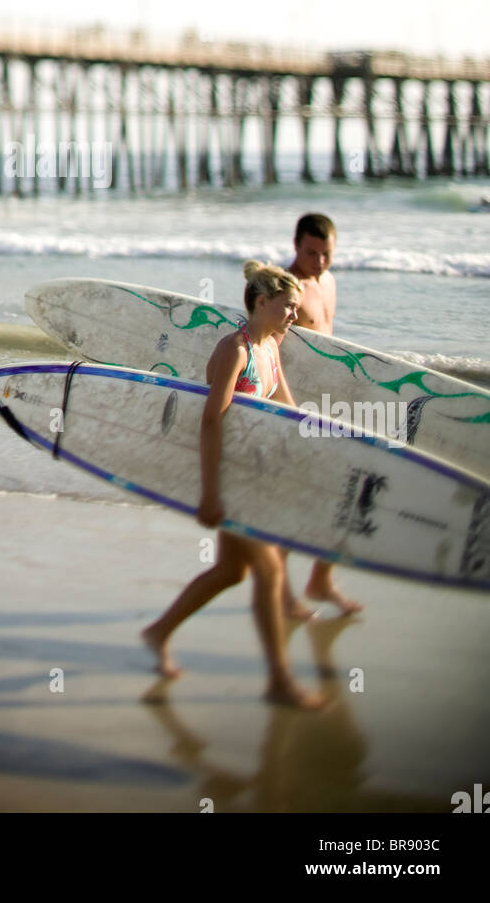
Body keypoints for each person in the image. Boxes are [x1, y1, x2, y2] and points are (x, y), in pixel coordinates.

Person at [142, 261, 325, 710]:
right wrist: (209, 492)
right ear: (262, 303)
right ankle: (280, 680)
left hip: (254, 473)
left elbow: (287, 410)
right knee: (268, 570)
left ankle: (158, 632)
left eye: (296, 308)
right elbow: (210, 420)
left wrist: (319, 449)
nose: (294, 317)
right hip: (228, 475)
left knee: (231, 571)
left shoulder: (271, 349)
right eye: (288, 307)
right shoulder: (235, 351)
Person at [281, 213, 363, 618]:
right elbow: (266, 345)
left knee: (340, 489)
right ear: (295, 246)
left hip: (327, 401)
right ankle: (281, 592)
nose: (319, 262)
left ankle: (320, 578)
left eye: (326, 254)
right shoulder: (285, 287)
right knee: (293, 496)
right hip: (292, 405)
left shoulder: (328, 281)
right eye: (311, 253)